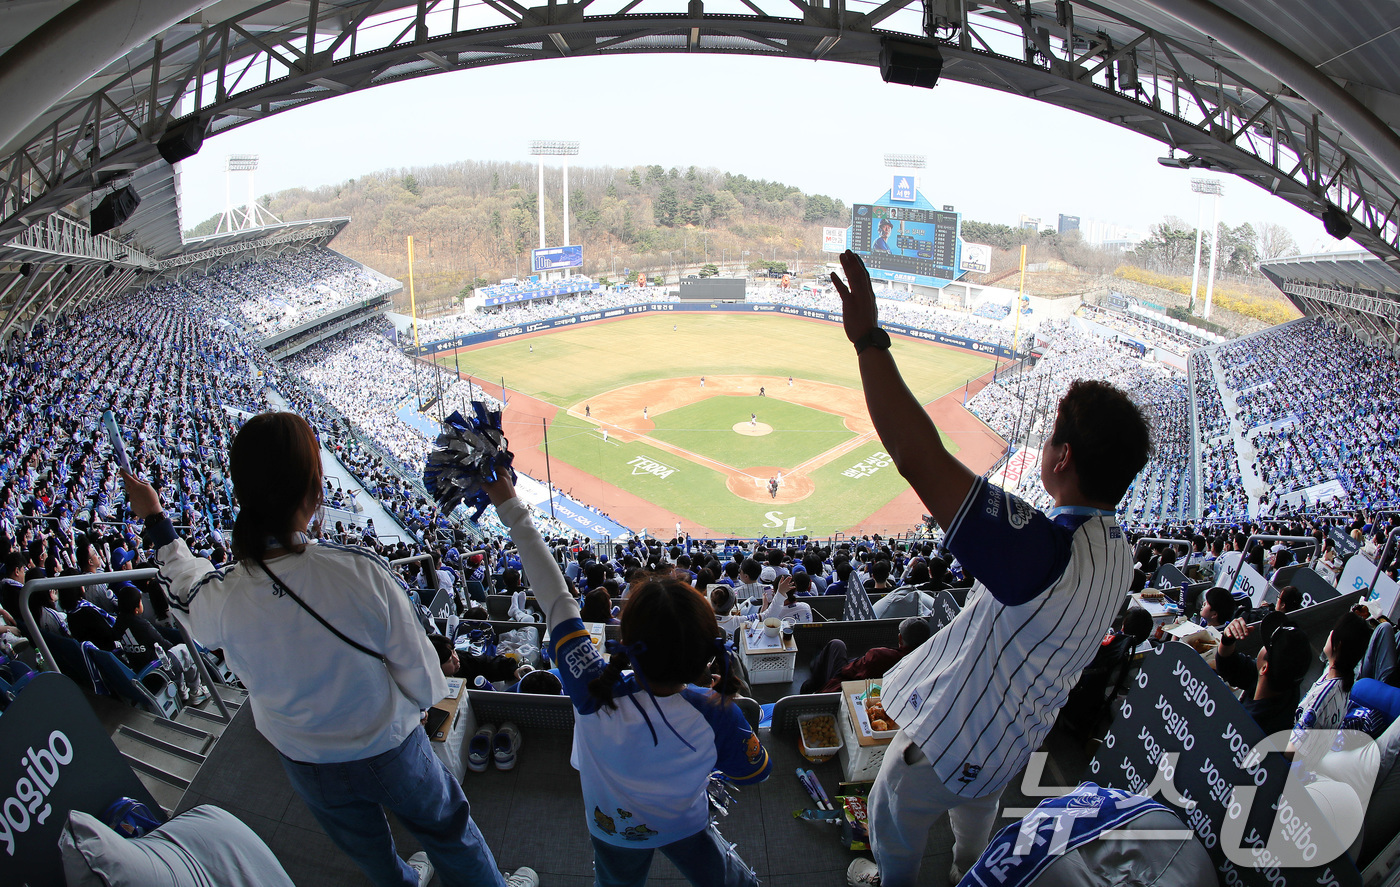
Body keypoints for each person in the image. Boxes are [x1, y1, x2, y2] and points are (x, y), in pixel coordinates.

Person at [830, 250, 1151, 887]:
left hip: (951, 738)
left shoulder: (1042, 553)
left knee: (892, 813)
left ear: (1061, 458)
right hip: (1012, 739)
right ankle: (967, 875)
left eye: (1054, 435)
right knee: (975, 821)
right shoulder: (1121, 548)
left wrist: (868, 340)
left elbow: (919, 458)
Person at [124, 413, 533, 887]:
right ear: (314, 492)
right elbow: (424, 679)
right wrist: (419, 708)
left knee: (373, 856)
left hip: (305, 761)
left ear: (242, 495)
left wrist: (156, 520)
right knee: (448, 832)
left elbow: (185, 586)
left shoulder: (224, 595)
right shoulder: (359, 572)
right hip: (390, 747)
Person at [481, 472, 770, 886]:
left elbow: (557, 599)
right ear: (703, 658)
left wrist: (508, 502)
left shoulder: (592, 688)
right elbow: (756, 772)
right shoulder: (717, 714)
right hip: (685, 823)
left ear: (627, 638)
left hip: (612, 828)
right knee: (721, 875)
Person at [1214, 612, 1312, 736]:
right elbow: (1231, 668)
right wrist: (1227, 640)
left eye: (1267, 646)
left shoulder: (1248, 729)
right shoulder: (1284, 683)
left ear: (1265, 668)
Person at [800, 616, 932, 694]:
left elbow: (846, 671)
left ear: (900, 639)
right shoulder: (929, 665)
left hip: (845, 690)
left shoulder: (878, 656)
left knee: (836, 645)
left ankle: (813, 685)